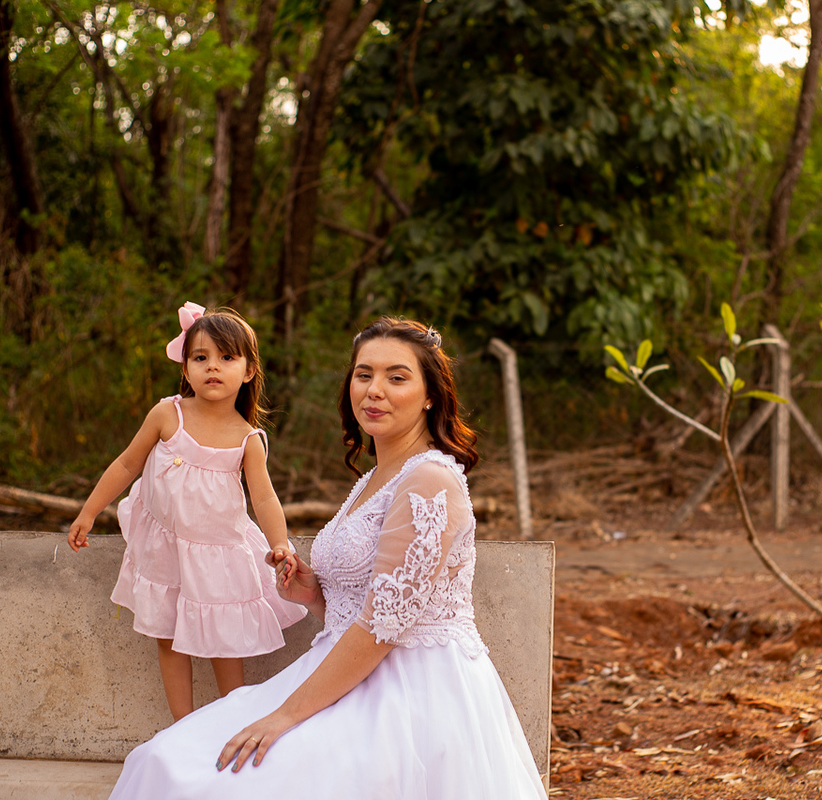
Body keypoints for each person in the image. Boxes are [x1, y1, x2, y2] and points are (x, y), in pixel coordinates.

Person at [107, 316, 547, 799]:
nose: (374, 390)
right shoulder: (374, 480)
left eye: (397, 378)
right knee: (164, 756)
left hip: (408, 692)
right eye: (364, 375)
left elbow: (383, 627)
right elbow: (367, 602)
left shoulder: (429, 482)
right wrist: (315, 593)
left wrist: (284, 716)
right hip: (343, 671)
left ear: (430, 395)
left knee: (208, 780)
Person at [68, 302, 306, 721]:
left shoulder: (247, 438)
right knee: (167, 634)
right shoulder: (168, 414)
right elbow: (127, 463)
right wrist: (89, 512)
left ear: (248, 371)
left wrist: (280, 544)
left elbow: (264, 498)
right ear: (186, 367)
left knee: (224, 641)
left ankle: (233, 724)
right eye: (200, 358)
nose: (212, 366)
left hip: (219, 553)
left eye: (227, 357)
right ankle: (183, 727)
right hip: (165, 545)